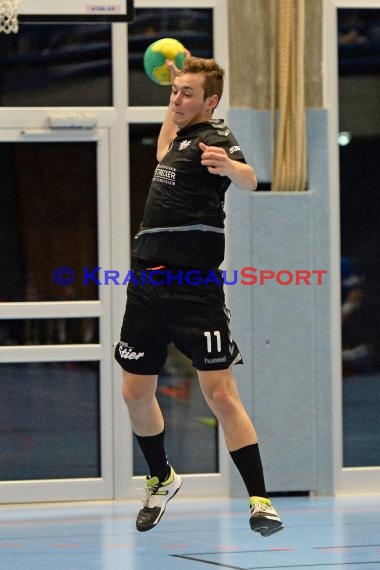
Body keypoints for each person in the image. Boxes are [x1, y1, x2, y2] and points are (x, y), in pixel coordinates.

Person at [114, 56, 283, 536]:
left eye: (188, 94)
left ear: (210, 102)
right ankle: (161, 477)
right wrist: (178, 74)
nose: (176, 99)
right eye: (174, 92)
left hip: (194, 289)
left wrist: (231, 167)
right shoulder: (175, 143)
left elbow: (251, 179)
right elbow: (167, 139)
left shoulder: (216, 138)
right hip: (147, 283)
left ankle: (260, 501)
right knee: (134, 392)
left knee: (220, 393)